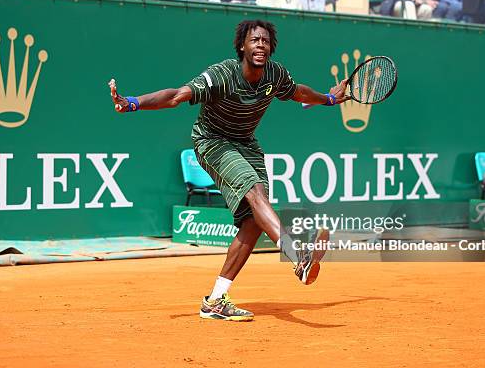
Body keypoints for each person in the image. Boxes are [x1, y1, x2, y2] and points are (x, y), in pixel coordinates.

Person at [109, 20, 349, 321]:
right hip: (212, 141)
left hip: (246, 143)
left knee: (252, 222)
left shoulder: (275, 75)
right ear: (242, 47)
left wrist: (327, 99)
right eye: (254, 40)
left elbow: (298, 92)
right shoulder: (221, 74)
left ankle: (215, 300)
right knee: (252, 190)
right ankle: (296, 254)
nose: (260, 45)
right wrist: (132, 103)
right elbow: (176, 96)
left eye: (265, 41)